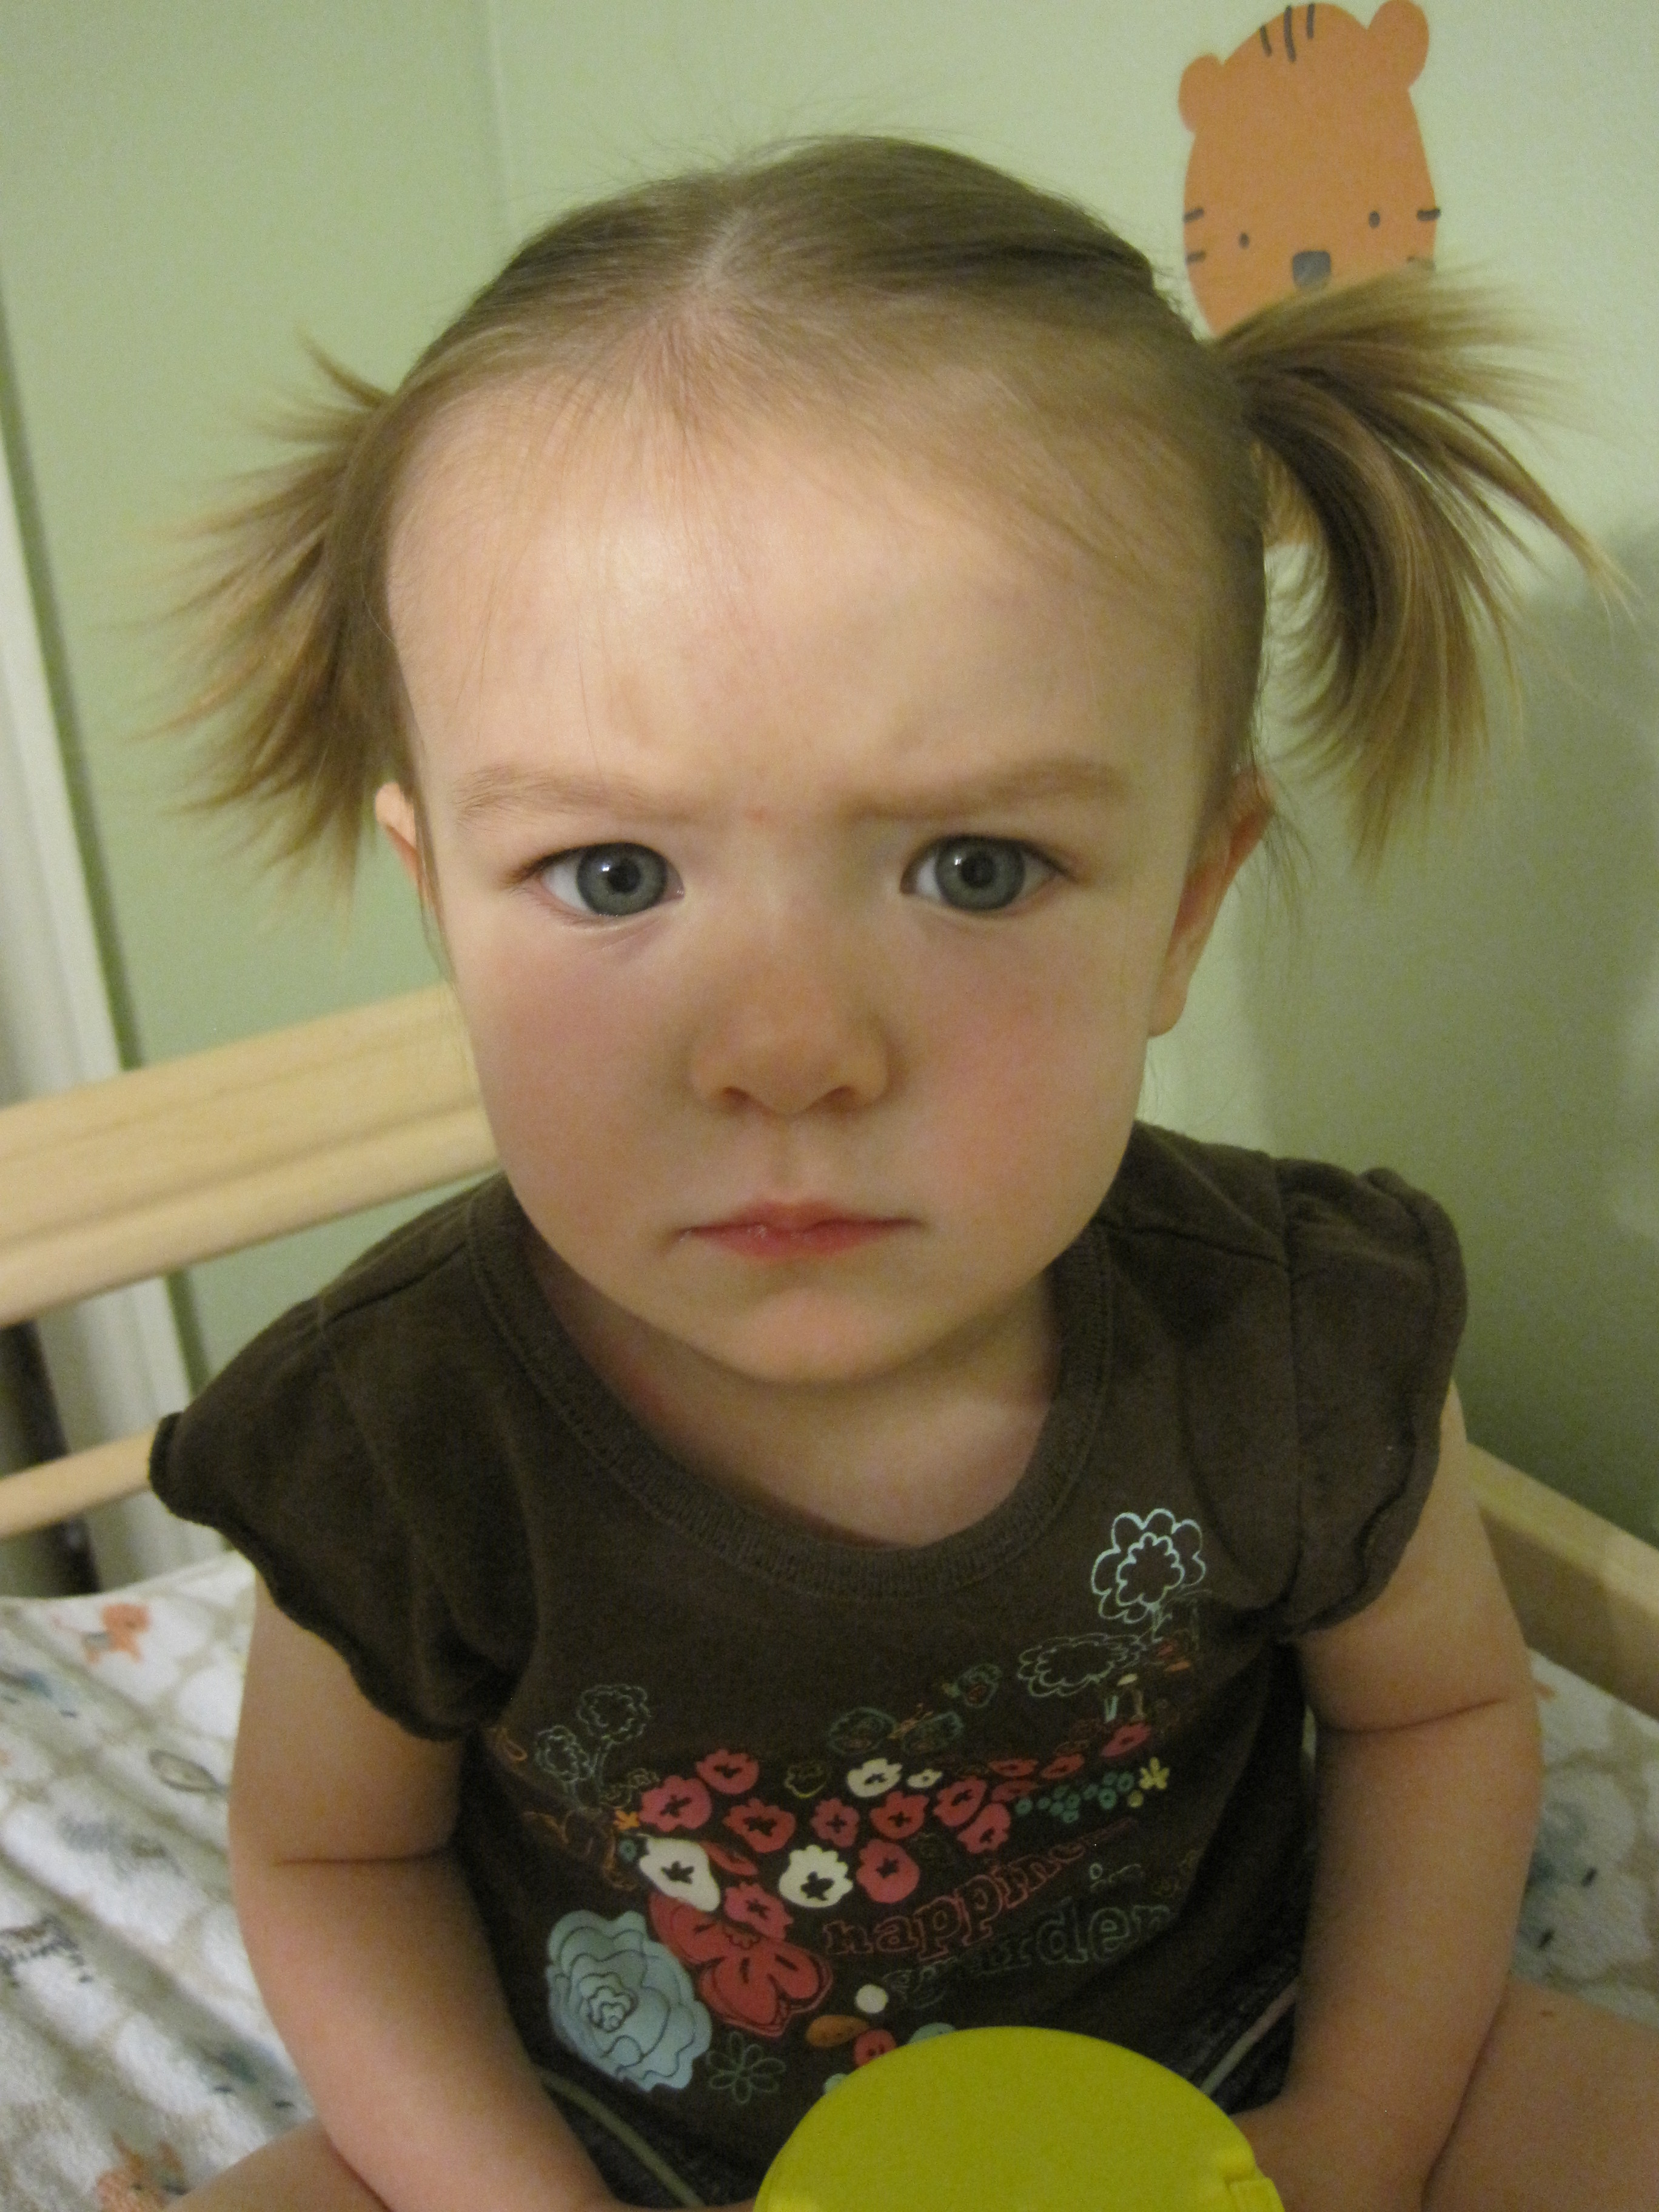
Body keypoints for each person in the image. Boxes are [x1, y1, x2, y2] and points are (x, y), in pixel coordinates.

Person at [153, 138, 1659, 2212]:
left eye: (976, 868)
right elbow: (329, 1855)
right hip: (623, 2141)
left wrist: (1357, 2136)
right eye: (612, 874)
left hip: (1204, 2086)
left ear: (1188, 899)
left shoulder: (1295, 1339)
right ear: (440, 902)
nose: (790, 1050)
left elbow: (1439, 1721)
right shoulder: (403, 1431)